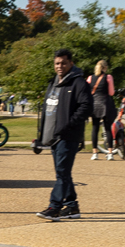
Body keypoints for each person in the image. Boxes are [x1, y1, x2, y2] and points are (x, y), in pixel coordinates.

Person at [35, 48, 92, 219]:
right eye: (57, 63)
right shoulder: (53, 84)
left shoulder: (79, 83)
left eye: (63, 63)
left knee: (62, 173)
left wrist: (67, 125)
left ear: (71, 64)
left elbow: (86, 107)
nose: (60, 66)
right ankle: (72, 207)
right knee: (63, 173)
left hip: (68, 136)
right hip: (53, 137)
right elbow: (48, 110)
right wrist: (41, 137)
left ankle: (55, 207)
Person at [88, 58, 117, 159]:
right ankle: (110, 153)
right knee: (107, 128)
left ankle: (95, 153)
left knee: (95, 128)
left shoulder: (90, 78)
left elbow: (86, 90)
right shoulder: (108, 77)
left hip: (94, 105)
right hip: (105, 104)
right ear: (105, 68)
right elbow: (111, 93)